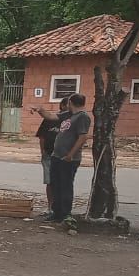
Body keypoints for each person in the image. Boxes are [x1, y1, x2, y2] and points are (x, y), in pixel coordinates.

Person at [46, 93, 91, 224]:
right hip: (57, 156)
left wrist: (71, 154)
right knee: (56, 184)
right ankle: (57, 212)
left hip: (68, 158)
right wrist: (40, 109)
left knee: (65, 185)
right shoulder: (69, 115)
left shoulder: (82, 117)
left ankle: (65, 213)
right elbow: (50, 116)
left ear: (70, 102)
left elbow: (82, 137)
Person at [31, 100, 71, 219]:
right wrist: (43, 152)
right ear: (63, 106)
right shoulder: (50, 119)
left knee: (63, 182)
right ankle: (50, 207)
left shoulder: (72, 121)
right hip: (49, 155)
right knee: (50, 182)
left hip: (64, 156)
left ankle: (62, 209)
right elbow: (42, 136)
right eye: (68, 106)